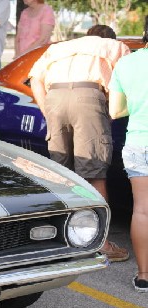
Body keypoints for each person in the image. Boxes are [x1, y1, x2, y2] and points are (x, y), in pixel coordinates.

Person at [29, 25, 130, 262]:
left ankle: (53, 238)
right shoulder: (115, 46)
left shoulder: (59, 47)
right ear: (108, 37)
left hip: (54, 97)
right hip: (88, 97)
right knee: (94, 172)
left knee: (60, 173)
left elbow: (35, 80)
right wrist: (110, 113)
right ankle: (100, 243)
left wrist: (47, 111)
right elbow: (124, 83)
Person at [108, 17, 148, 291]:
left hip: (138, 142)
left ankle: (144, 275)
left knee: (142, 210)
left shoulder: (126, 63)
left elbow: (115, 111)